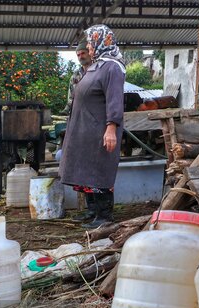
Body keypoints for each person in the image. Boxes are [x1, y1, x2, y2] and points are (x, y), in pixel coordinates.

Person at [58, 24, 125, 229]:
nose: (88, 45)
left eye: (90, 41)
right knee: (86, 170)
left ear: (101, 41)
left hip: (100, 130)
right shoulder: (97, 66)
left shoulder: (112, 67)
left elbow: (114, 99)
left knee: (99, 169)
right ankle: (93, 211)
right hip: (85, 129)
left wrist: (111, 127)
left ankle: (104, 216)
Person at [62, 40, 92, 116]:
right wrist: (67, 110)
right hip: (79, 114)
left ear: (90, 53)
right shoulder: (75, 75)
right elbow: (71, 97)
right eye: (78, 55)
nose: (81, 57)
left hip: (96, 113)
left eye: (83, 53)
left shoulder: (99, 71)